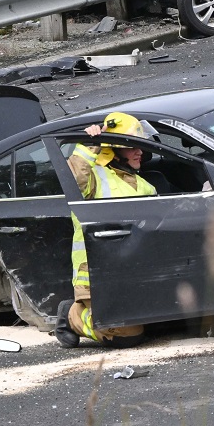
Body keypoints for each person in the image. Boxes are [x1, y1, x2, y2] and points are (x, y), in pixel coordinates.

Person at [55, 111, 157, 349]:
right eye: (131, 145)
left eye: (140, 146)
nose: (139, 151)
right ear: (113, 148)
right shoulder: (94, 177)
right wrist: (89, 146)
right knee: (128, 334)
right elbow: (75, 183)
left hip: (132, 271)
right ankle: (73, 316)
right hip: (96, 274)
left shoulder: (145, 186)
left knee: (158, 320)